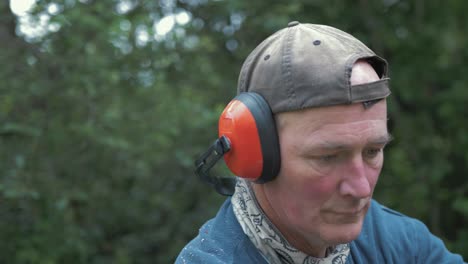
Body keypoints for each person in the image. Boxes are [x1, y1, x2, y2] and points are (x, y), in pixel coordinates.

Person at [176, 22, 465, 263]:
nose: (361, 188)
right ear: (256, 155)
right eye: (328, 156)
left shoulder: (397, 241)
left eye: (372, 151)